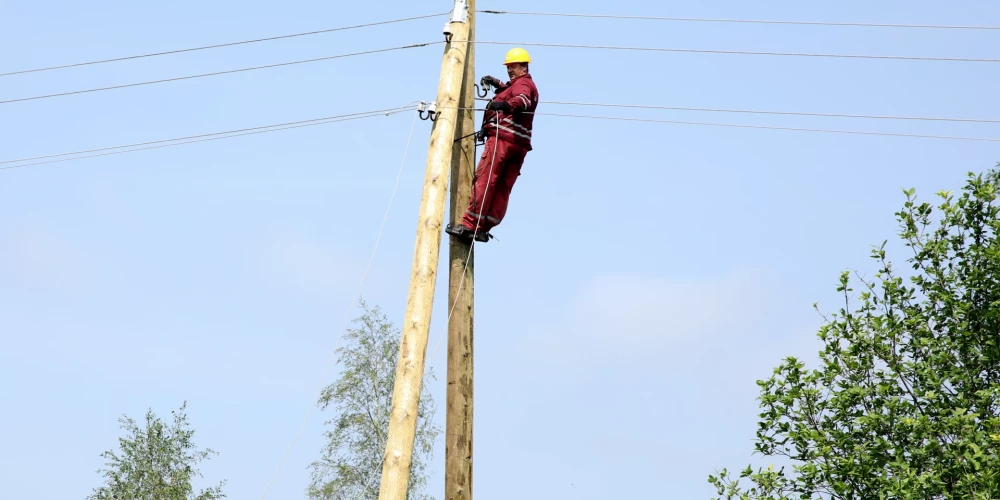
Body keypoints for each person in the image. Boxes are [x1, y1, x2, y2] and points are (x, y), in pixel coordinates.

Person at [445, 47, 539, 243]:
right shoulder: (524, 84)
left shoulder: (523, 86)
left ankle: (469, 225)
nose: (510, 70)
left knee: (486, 181)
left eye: (513, 66)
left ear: (524, 66)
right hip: (519, 146)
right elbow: (513, 91)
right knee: (502, 187)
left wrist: (505, 105)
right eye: (508, 67)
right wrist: (497, 83)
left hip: (503, 141)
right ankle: (483, 227)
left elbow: (521, 99)